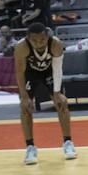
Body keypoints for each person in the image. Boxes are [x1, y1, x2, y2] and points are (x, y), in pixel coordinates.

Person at [13, 24, 76, 165]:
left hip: (50, 71)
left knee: (61, 103)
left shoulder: (55, 44)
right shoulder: (22, 47)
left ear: (47, 37)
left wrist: (57, 93)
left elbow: (58, 68)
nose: (39, 43)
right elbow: (19, 72)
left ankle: (68, 143)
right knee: (25, 107)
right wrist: (24, 96)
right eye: (34, 41)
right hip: (30, 74)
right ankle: (30, 147)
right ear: (28, 39)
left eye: (42, 40)